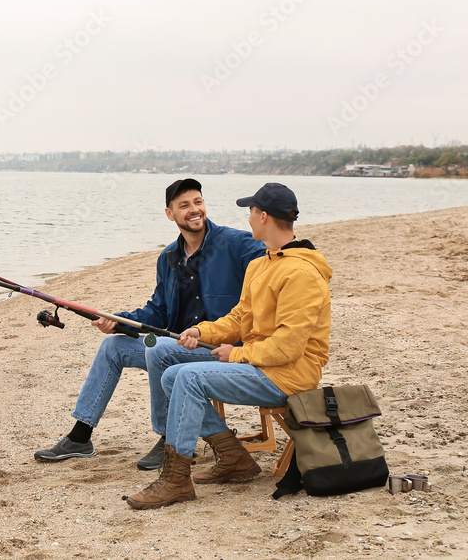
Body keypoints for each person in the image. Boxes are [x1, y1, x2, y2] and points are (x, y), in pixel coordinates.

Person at [126, 182, 333, 510]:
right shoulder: (261, 263)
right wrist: (200, 329)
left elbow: (289, 347)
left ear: (263, 217)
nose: (248, 218)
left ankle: (176, 479)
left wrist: (237, 353)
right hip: (259, 365)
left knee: (188, 378)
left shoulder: (301, 273)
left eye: (251, 211)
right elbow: (238, 320)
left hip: (289, 376)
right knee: (170, 374)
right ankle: (235, 457)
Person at [34, 178, 266, 469]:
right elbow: (157, 311)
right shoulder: (168, 256)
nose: (194, 210)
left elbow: (278, 257)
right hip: (179, 344)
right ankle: (81, 437)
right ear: (170, 214)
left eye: (198, 202)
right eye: (184, 205)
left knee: (162, 349)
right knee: (112, 346)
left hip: (223, 349)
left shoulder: (237, 243)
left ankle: (169, 437)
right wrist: (119, 322)